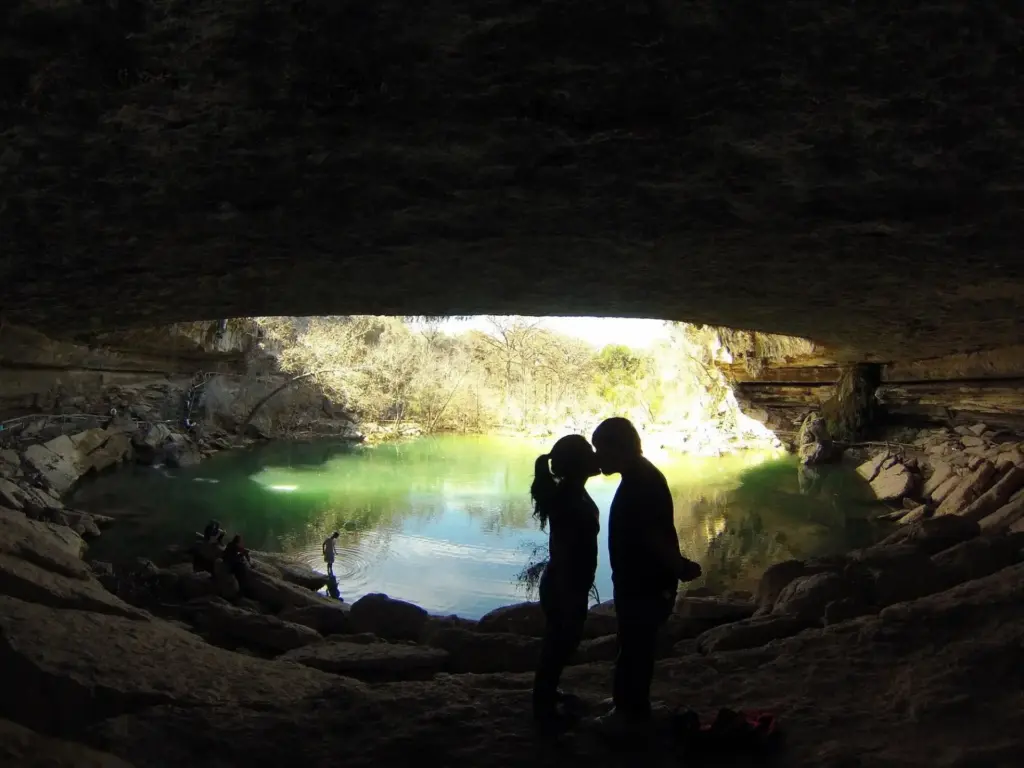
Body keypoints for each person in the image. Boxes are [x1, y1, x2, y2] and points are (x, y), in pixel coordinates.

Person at [591, 417, 702, 735]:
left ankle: (629, 714)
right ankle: (628, 704)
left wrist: (678, 567)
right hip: (640, 580)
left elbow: (653, 537)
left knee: (635, 647)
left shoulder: (641, 484)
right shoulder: (640, 476)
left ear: (619, 448)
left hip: (645, 583)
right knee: (633, 644)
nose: (598, 457)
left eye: (601, 449)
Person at [530, 434, 601, 735]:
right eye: (589, 452)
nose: (596, 456)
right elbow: (572, 550)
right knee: (560, 644)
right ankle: (544, 708)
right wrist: (575, 589)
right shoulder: (570, 499)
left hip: (563, 583)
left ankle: (546, 695)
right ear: (577, 464)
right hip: (565, 585)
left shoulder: (572, 493)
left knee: (559, 643)